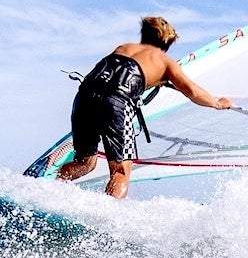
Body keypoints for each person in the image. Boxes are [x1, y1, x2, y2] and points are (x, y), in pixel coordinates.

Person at [57, 16, 233, 198]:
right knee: (120, 171)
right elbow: (193, 91)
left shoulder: (123, 47)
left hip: (84, 97)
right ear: (167, 43)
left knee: (85, 163)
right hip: (116, 104)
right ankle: (106, 212)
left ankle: (51, 189)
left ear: (144, 35)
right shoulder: (165, 62)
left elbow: (119, 72)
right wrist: (218, 104)